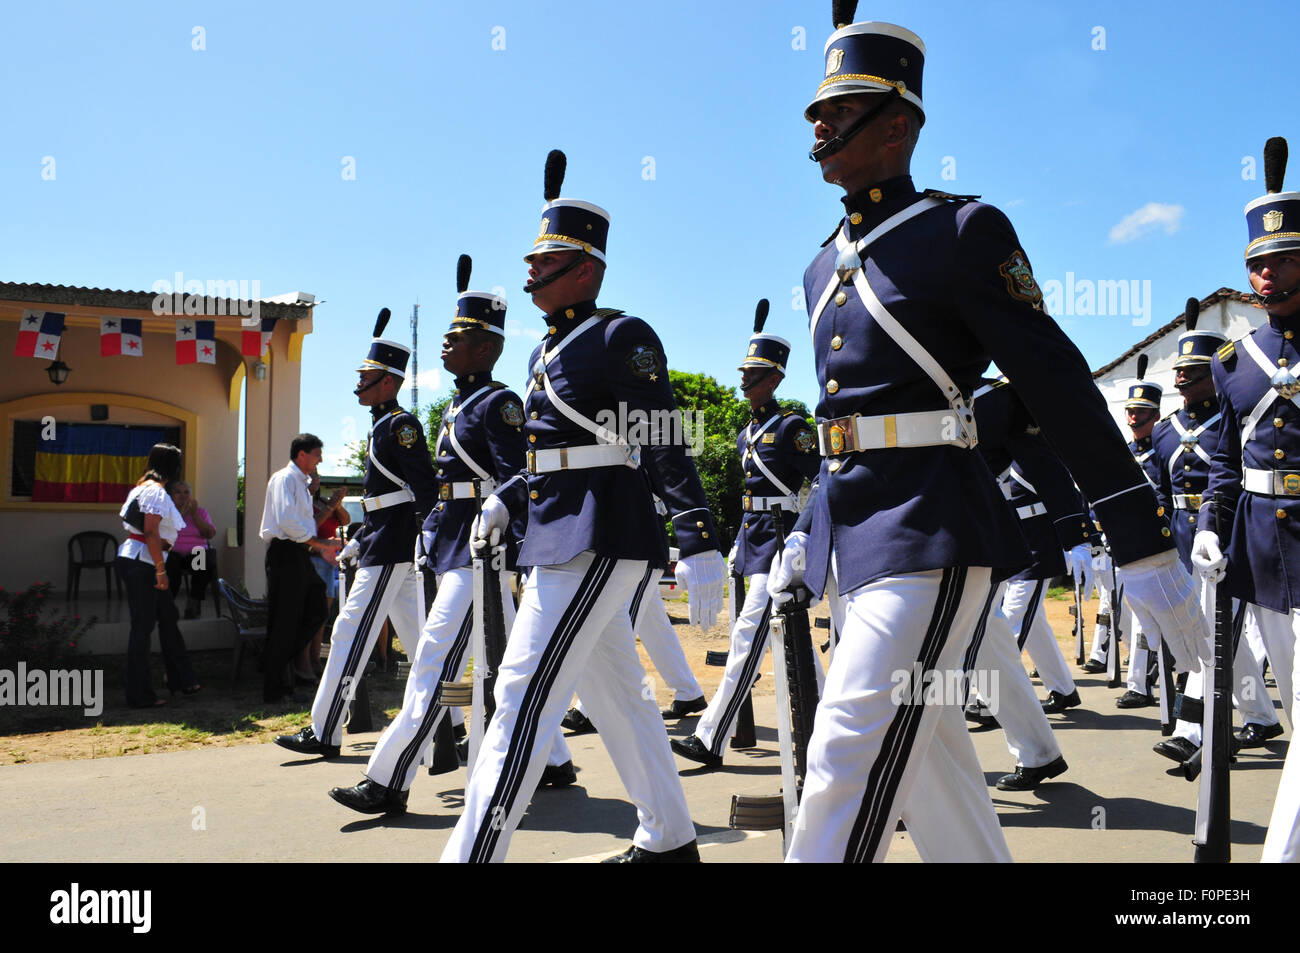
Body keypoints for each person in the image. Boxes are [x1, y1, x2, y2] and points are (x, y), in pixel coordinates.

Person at [765, 9, 1207, 862]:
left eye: (840, 108)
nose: (818, 125)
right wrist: (804, 528)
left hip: (931, 529)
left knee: (843, 756)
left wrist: (1142, 545)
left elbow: (1056, 383)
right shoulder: (822, 263)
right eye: (815, 110)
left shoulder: (963, 231)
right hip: (853, 538)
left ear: (897, 124)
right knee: (933, 774)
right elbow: (839, 420)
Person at [439, 151, 726, 862]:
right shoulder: (547, 348)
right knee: (618, 697)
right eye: (534, 258)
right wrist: (509, 497)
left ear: (588, 270)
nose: (532, 270)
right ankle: (670, 836)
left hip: (601, 529)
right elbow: (543, 453)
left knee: (520, 693)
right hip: (558, 529)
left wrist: (697, 535)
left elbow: (660, 434)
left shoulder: (619, 335)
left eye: (550, 260)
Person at [329, 256, 573, 815]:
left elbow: (522, 472)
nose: (443, 345)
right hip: (453, 542)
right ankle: (555, 759)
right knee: (513, 656)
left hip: (481, 553)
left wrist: (497, 508)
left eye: (455, 337)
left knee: (434, 657)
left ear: (485, 348)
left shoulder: (499, 404)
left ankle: (389, 778)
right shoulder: (458, 403)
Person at [1194, 135, 1300, 861]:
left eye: (1283, 260)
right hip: (1264, 554)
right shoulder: (1234, 362)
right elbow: (1227, 466)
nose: (1267, 275)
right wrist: (1208, 524)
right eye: (1258, 265)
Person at [275, 311, 438, 757]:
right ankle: (451, 725)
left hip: (394, 546)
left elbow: (423, 489)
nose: (359, 384)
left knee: (348, 631)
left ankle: (324, 730)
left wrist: (430, 542)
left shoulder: (400, 426)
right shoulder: (383, 425)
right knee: (424, 641)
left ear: (388, 382)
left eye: (367, 377)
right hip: (385, 539)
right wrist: (360, 537)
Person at [672, 302, 820, 767]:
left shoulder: (794, 428)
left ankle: (709, 737)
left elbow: (822, 482)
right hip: (753, 538)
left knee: (748, 635)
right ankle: (831, 730)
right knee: (795, 644)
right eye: (744, 373)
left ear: (775, 380)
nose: (743, 382)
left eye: (753, 375)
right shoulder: (744, 434)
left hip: (783, 537)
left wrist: (805, 536)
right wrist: (737, 541)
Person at [1150, 304, 1280, 764]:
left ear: (1215, 376)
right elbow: (1166, 493)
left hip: (1238, 531)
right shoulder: (1165, 433)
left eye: (1194, 371)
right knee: (1224, 634)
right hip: (1191, 539)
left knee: (1212, 632)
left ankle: (1192, 731)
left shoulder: (1233, 417)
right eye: (1179, 371)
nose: (1183, 379)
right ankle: (1262, 717)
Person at [115, 443, 200, 706]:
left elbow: (152, 532)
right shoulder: (155, 492)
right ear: (172, 467)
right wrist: (161, 571)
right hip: (144, 564)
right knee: (143, 627)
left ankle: (182, 680)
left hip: (143, 559)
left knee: (168, 618)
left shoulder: (143, 488)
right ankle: (139, 695)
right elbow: (150, 531)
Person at [258, 434, 341, 703]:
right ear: (301, 454)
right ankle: (275, 686)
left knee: (316, 609)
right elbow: (287, 521)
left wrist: (318, 543)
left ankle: (277, 665)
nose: (320, 460)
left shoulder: (302, 483)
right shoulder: (285, 479)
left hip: (299, 553)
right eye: (317, 454)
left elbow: (303, 525)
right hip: (285, 553)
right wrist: (320, 544)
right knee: (285, 620)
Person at [165, 481, 216, 619]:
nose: (183, 496)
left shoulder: (200, 512)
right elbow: (166, 533)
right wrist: (181, 513)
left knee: (202, 564)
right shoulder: (167, 512)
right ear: (171, 496)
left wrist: (194, 516)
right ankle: (168, 605)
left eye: (186, 492)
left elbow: (209, 534)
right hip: (173, 551)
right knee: (172, 570)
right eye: (178, 492)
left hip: (195, 552)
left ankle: (193, 602)